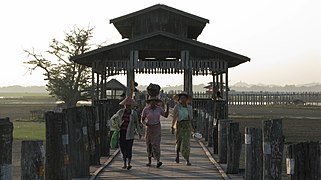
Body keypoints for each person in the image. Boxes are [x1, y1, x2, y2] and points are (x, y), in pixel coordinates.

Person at [110, 96, 142, 170]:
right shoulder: (120, 112)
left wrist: (139, 133)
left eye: (129, 105)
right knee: (122, 148)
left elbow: (137, 124)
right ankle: (124, 162)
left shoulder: (134, 113)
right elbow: (114, 120)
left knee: (129, 149)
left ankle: (129, 163)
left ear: (131, 106)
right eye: (126, 105)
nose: (127, 107)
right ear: (124, 105)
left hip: (130, 134)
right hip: (121, 133)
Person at [141, 96, 169, 168]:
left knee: (156, 145)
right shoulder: (146, 109)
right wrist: (145, 123)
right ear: (149, 102)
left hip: (157, 127)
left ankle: (158, 161)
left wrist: (167, 107)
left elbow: (165, 115)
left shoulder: (159, 109)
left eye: (155, 101)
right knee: (149, 144)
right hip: (149, 128)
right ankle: (149, 161)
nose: (153, 102)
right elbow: (142, 119)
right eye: (152, 101)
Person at [171, 91, 194, 166]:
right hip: (179, 125)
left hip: (187, 125)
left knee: (186, 142)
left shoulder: (189, 107)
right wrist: (172, 127)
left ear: (186, 99)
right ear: (179, 99)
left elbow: (191, 118)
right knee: (179, 141)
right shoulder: (177, 107)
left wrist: (193, 128)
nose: (183, 99)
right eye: (181, 98)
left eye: (184, 97)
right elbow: (174, 117)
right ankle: (177, 155)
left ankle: (187, 159)